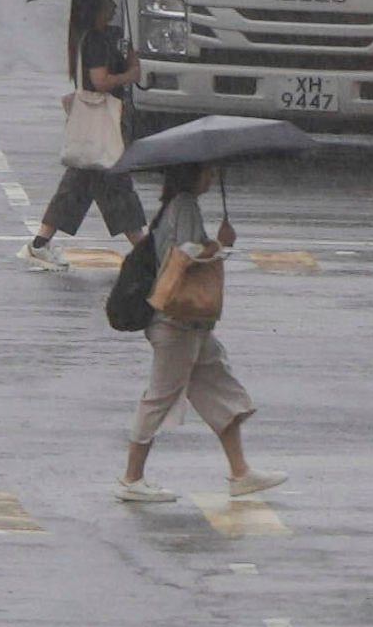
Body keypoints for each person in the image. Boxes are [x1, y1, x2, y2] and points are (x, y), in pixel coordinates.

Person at [118, 171, 282, 504]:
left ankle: (241, 472)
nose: (210, 175)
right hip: (176, 322)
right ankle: (131, 478)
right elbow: (187, 256)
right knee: (160, 397)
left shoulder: (174, 205)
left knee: (218, 385)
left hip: (190, 323)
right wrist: (221, 244)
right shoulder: (185, 205)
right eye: (206, 169)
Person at [24, 0, 147, 268]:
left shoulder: (106, 37)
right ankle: (144, 250)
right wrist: (130, 74)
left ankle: (39, 244)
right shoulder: (93, 41)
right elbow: (100, 81)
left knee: (78, 185)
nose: (114, 6)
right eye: (108, 2)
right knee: (115, 183)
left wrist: (128, 57)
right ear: (95, 7)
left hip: (96, 128)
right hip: (102, 124)